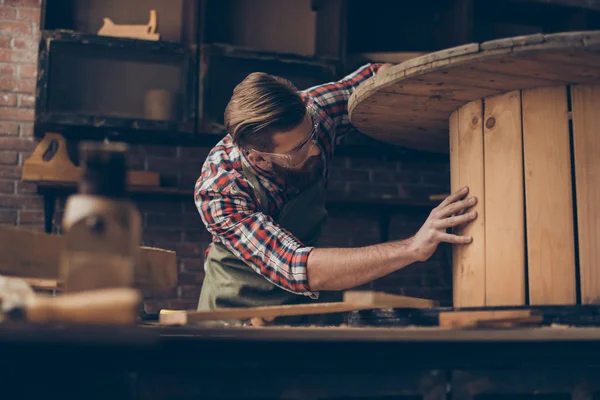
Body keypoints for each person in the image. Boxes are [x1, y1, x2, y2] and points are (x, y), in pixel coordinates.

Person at [194, 62, 478, 323]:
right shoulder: (220, 190)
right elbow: (296, 266)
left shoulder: (315, 111)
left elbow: (377, 76)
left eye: (313, 135)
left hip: (305, 305)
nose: (316, 149)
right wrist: (412, 247)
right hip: (237, 312)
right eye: (298, 150)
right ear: (258, 159)